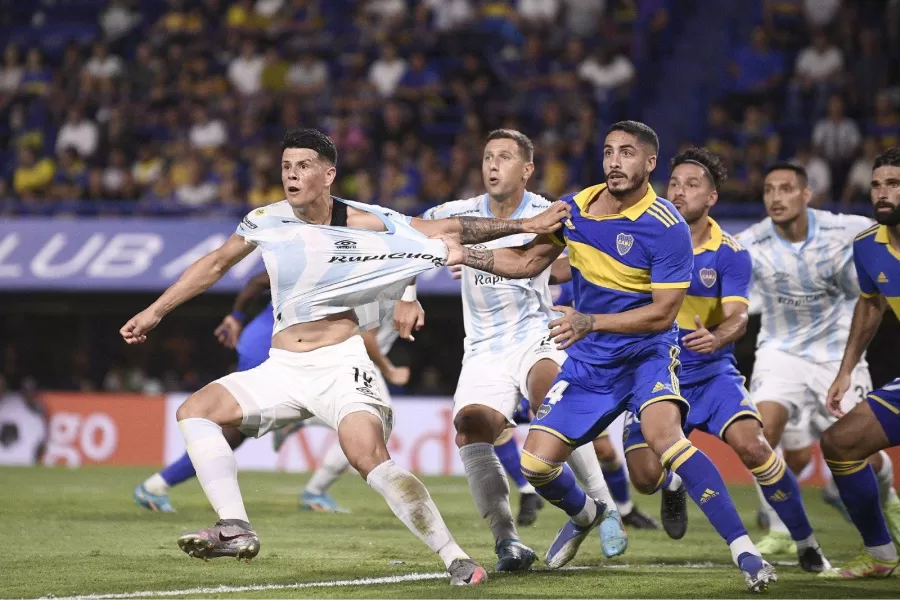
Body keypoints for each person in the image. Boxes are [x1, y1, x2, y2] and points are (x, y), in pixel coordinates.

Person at [120, 127, 569, 584]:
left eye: (303, 166)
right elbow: (216, 263)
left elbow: (446, 229)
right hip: (282, 367)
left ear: (329, 174)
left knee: (369, 457)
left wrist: (527, 225)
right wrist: (154, 312)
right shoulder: (265, 220)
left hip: (340, 366)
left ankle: (456, 558)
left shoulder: (367, 222)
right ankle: (234, 526)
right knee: (195, 411)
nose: (291, 175)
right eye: (286, 166)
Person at [441, 121, 777, 592]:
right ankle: (586, 513)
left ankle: (747, 552)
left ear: (650, 163)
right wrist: (464, 254)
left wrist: (590, 321)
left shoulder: (667, 226)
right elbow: (524, 263)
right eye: (608, 151)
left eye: (627, 153)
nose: (615, 162)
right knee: (537, 466)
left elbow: (663, 314)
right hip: (590, 362)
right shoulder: (576, 208)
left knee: (667, 441)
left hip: (646, 355)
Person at [420, 130, 626, 572]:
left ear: (527, 169)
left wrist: (575, 294)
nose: (493, 165)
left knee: (552, 399)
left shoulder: (547, 212)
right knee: (470, 428)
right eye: (487, 157)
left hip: (536, 334)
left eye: (505, 157)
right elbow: (411, 235)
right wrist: (405, 297)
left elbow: (568, 263)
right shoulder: (455, 214)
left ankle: (607, 508)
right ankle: (509, 540)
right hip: (483, 348)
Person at [617, 148, 829, 572]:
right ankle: (673, 482)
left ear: (712, 197)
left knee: (754, 447)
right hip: (655, 373)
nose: (679, 191)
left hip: (711, 373)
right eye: (674, 183)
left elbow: (738, 318)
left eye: (691, 185)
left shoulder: (730, 252)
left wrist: (715, 338)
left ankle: (807, 544)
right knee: (645, 479)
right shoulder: (641, 238)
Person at [133, 271, 412, 514]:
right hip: (274, 346)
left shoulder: (343, 257)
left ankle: (157, 486)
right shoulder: (328, 255)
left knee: (236, 431)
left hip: (284, 345)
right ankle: (166, 489)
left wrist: (236, 317)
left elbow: (257, 282)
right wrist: (235, 317)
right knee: (232, 428)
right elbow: (257, 280)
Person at [735, 164, 900, 556]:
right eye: (769, 190)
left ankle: (888, 496)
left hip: (836, 353)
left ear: (807, 195)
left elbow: (874, 287)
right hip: (780, 352)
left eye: (786, 189)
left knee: (860, 451)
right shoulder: (749, 242)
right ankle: (780, 529)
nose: (776, 198)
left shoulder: (849, 230)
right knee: (759, 434)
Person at [820, 147, 900, 578]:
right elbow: (871, 305)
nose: (882, 193)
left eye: (894, 184)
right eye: (876, 185)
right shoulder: (868, 246)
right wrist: (846, 370)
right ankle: (881, 554)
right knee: (840, 444)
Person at [554, 276, 661, 530]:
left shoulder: (574, 275)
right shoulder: (529, 275)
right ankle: (531, 497)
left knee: (605, 451)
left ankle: (624, 509)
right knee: (540, 453)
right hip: (536, 364)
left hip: (579, 366)